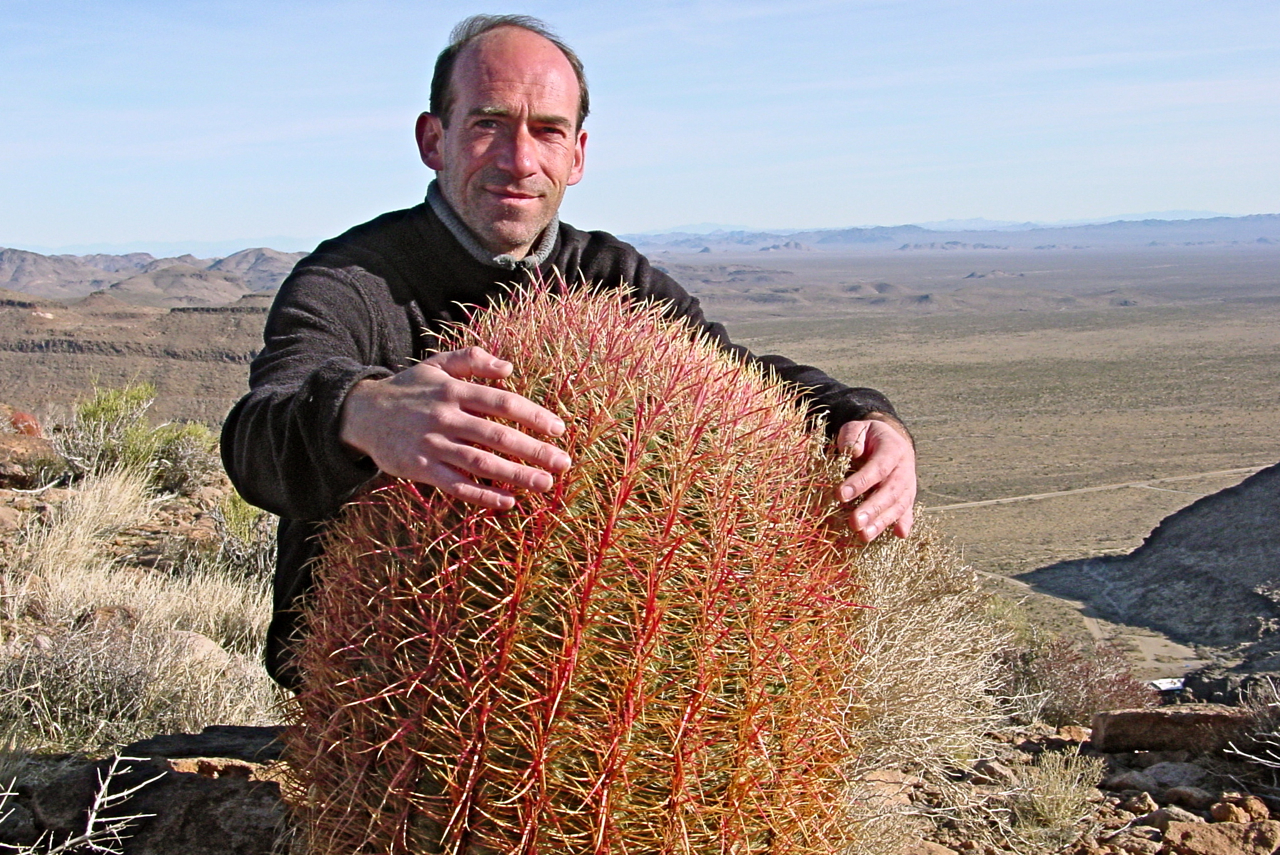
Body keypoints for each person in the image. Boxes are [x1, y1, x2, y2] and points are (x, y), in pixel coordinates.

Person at [221, 14, 917, 689]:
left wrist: (869, 420)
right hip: (386, 695)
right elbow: (256, 435)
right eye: (488, 123)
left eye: (547, 131)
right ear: (433, 140)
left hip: (585, 696)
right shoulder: (350, 282)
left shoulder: (616, 279)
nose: (519, 160)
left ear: (577, 154)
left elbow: (736, 380)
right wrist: (360, 411)